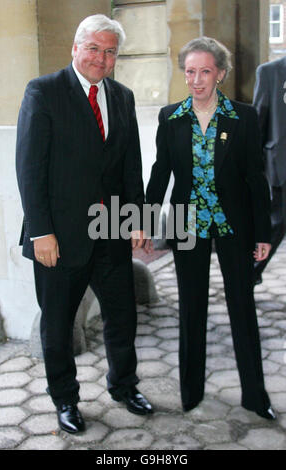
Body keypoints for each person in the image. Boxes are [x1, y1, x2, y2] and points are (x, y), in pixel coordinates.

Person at [16, 14, 153, 434]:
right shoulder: (44, 91)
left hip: (111, 229)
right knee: (57, 325)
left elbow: (131, 165)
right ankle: (65, 401)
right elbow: (30, 166)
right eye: (93, 48)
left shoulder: (123, 97)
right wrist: (41, 231)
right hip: (57, 236)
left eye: (109, 51)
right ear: (75, 48)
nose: (101, 58)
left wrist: (136, 219)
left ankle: (124, 386)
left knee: (123, 317)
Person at [146, 37, 276, 420]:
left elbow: (256, 178)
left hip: (234, 225)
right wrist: (143, 225)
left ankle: (255, 395)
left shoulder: (244, 117)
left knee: (242, 307)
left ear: (220, 73)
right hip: (187, 225)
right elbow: (159, 175)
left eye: (205, 71)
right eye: (190, 71)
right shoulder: (171, 117)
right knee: (191, 307)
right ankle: (191, 392)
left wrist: (264, 234)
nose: (197, 80)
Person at [252, 56, 286, 285]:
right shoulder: (270, 72)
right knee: (278, 222)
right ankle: (250, 271)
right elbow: (258, 121)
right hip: (282, 164)